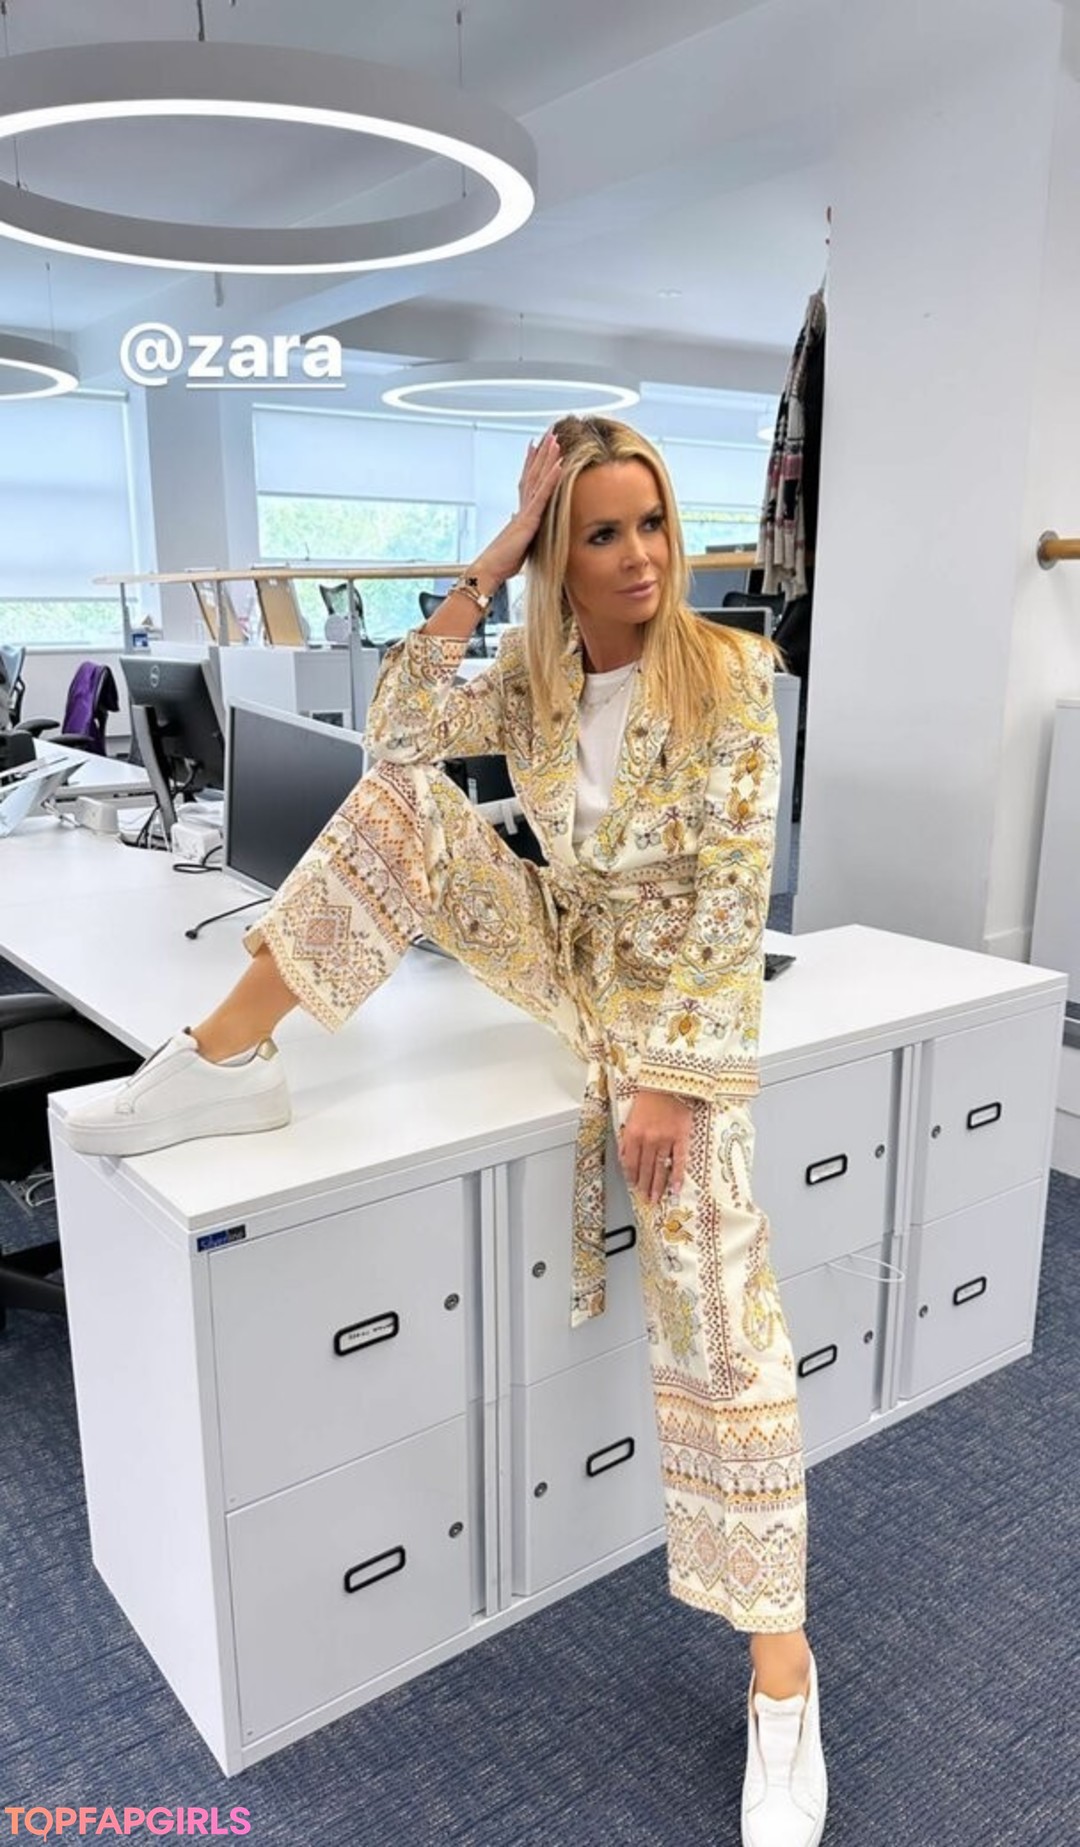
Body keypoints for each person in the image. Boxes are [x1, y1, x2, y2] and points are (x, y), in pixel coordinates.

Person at [66, 416, 828, 1847]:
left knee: (723, 1316)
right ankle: (225, 1058)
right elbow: (397, 736)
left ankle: (781, 1677)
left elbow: (733, 892)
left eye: (652, 523)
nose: (640, 556)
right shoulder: (535, 680)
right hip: (568, 952)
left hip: (673, 1004)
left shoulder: (730, 674)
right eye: (599, 533)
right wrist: (493, 553)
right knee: (408, 803)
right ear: (557, 555)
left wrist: (672, 1082)